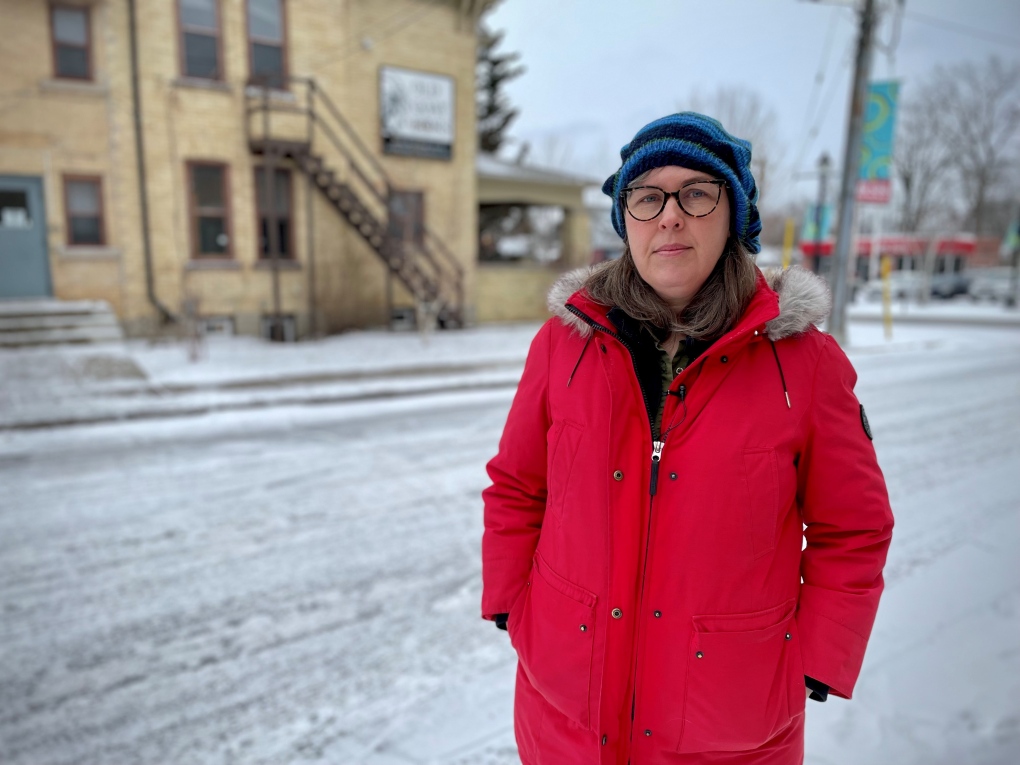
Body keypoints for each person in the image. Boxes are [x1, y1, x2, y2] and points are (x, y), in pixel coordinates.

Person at [481, 112, 894, 765]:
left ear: (734, 214)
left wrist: (818, 657)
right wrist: (510, 600)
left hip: (729, 728)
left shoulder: (804, 361)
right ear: (626, 222)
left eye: (697, 193)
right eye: (647, 197)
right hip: (566, 714)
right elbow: (516, 484)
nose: (670, 215)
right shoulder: (565, 343)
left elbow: (855, 527)